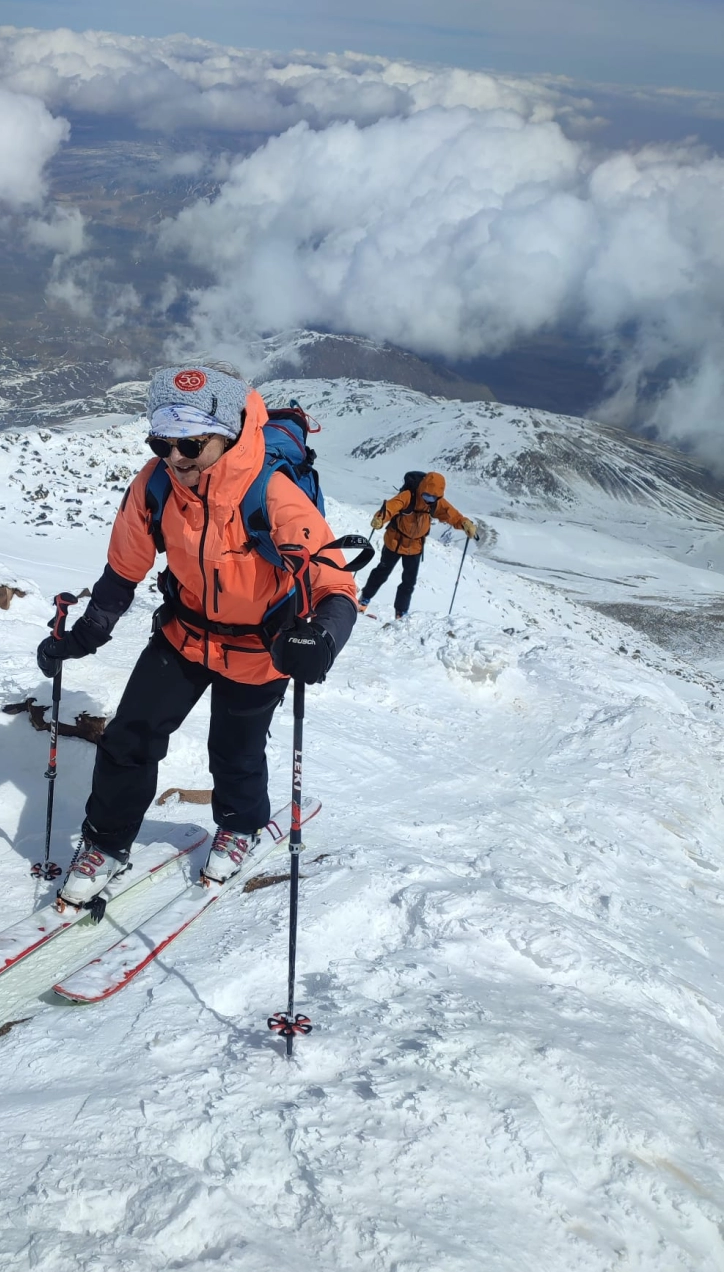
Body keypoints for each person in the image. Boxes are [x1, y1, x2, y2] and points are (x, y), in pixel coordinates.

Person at [36, 363, 358, 903]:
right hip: (183, 634)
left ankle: (240, 826)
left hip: (259, 649)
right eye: (161, 443)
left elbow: (335, 585)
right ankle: (106, 842)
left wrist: (322, 637)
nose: (175, 458)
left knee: (235, 751)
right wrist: (82, 638)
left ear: (227, 434)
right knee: (129, 738)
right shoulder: (156, 485)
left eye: (190, 444)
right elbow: (124, 570)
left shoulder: (272, 494)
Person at [359, 471, 477, 620]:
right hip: (395, 541)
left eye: (433, 497)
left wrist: (465, 523)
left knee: (409, 582)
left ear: (438, 496)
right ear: (422, 489)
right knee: (382, 572)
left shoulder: (436, 503)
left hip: (415, 546)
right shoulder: (408, 496)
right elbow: (391, 507)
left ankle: (401, 613)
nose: (428, 500)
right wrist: (380, 518)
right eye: (426, 495)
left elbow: (451, 514)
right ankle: (364, 599)